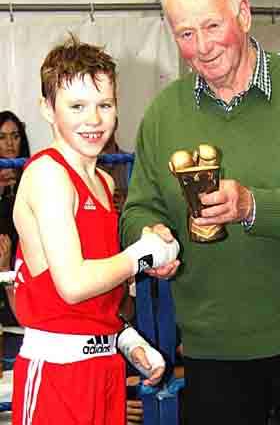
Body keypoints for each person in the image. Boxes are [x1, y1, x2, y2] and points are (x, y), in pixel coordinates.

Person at [120, 0, 280, 425]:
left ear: (243, 13)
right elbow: (137, 207)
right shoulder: (163, 113)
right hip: (211, 349)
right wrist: (149, 239)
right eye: (185, 33)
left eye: (211, 26)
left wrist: (253, 206)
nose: (201, 47)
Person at [11, 35, 180, 425]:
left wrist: (127, 340)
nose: (93, 119)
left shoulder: (104, 182)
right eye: (77, 106)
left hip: (103, 370)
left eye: (104, 105)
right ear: (47, 109)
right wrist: (140, 255)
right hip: (56, 373)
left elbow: (95, 296)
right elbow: (71, 285)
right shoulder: (48, 174)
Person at [0, 111, 30, 365]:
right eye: (2, 137)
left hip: (24, 261)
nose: (10, 143)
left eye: (15, 136)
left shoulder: (33, 173)